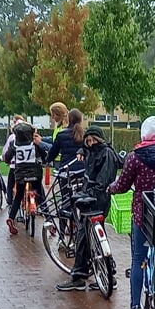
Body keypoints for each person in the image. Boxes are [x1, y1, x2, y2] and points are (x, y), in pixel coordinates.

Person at [107, 116, 155, 309]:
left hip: (142, 215)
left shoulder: (135, 158)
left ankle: (135, 308)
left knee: (139, 259)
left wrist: (110, 187)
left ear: (143, 135)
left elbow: (122, 185)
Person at [56, 125, 121, 292]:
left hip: (95, 200)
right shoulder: (94, 151)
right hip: (92, 197)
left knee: (83, 235)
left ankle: (78, 275)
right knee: (95, 235)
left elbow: (102, 181)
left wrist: (86, 194)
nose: (90, 143)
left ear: (99, 139)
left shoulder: (105, 154)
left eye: (93, 140)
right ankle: (108, 272)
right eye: (88, 140)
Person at [2, 121, 47, 235]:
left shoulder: (14, 143)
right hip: (35, 173)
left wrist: (8, 160)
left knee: (18, 196)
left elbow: (7, 158)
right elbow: (44, 155)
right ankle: (49, 220)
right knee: (40, 194)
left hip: (20, 174)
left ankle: (11, 218)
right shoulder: (34, 143)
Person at [46, 107, 85, 173]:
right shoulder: (85, 135)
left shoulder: (61, 134)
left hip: (66, 169)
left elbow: (53, 152)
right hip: (82, 170)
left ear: (69, 119)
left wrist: (47, 160)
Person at [3, 115, 26, 204]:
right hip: (30, 167)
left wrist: (5, 159)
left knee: (10, 184)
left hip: (15, 166)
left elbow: (6, 151)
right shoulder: (32, 137)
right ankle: (43, 205)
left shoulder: (12, 138)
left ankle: (9, 200)